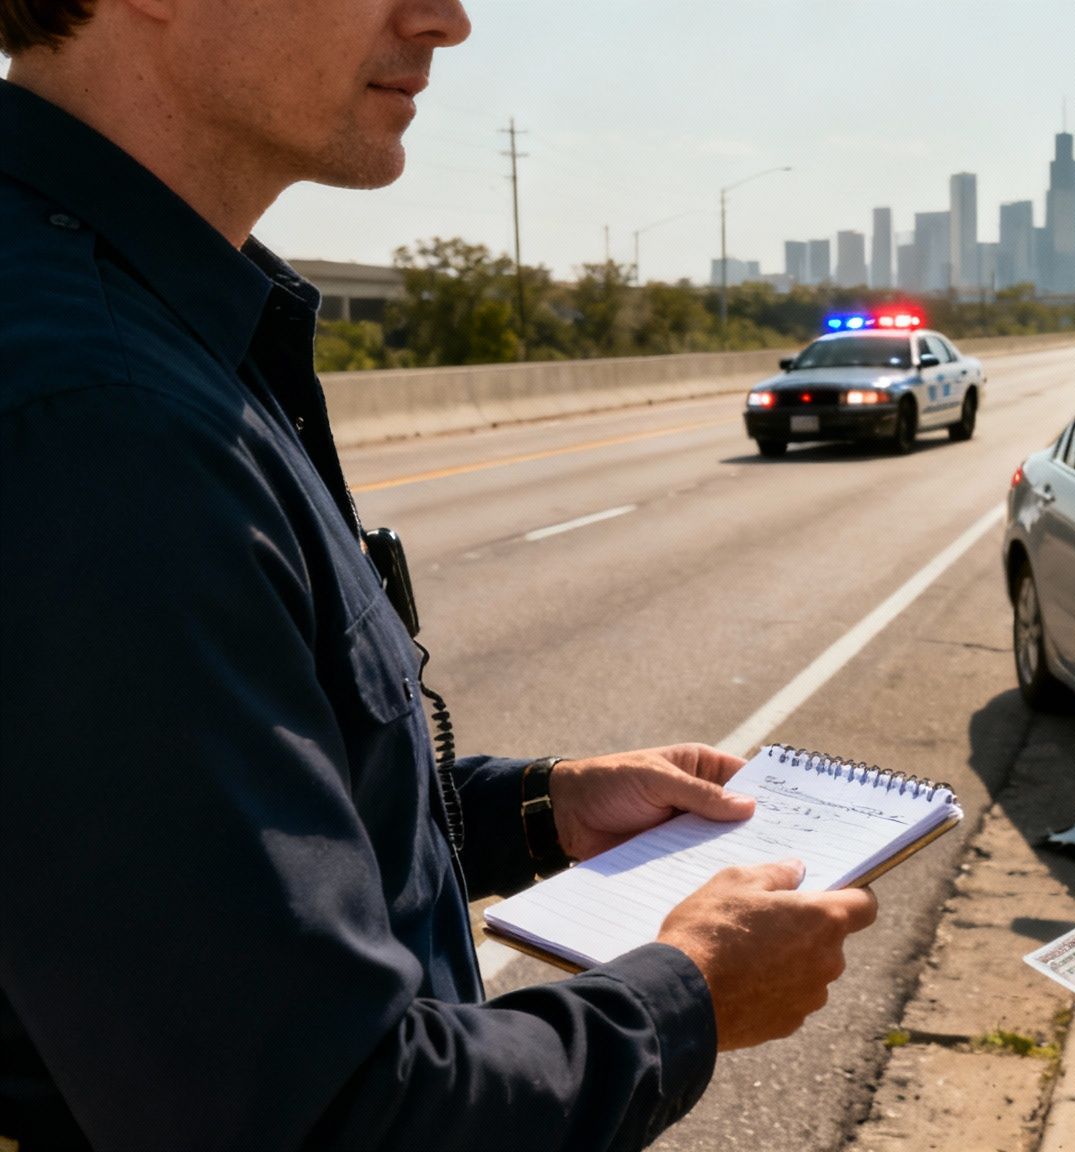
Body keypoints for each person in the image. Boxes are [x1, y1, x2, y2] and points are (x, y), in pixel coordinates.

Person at [0, 1, 876, 1147]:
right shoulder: (99, 414)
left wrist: (535, 811)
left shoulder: (151, 322)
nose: (448, 20)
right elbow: (323, 1115)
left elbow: (226, 857)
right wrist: (692, 996)